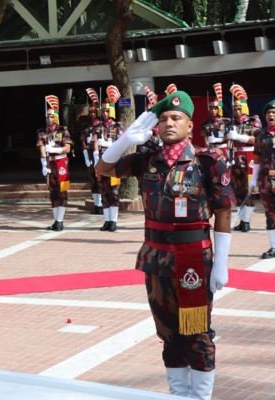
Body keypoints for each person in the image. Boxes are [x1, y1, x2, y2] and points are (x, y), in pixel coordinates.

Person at [95, 90, 233, 399]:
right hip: (156, 257)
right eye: (164, 119)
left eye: (176, 118)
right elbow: (102, 169)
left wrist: (221, 262)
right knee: (168, 334)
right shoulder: (147, 159)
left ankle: (199, 396)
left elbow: (223, 212)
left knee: (196, 332)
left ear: (189, 124)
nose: (169, 123)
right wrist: (124, 141)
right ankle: (177, 394)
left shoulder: (207, 162)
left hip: (193, 260)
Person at [251, 100, 275, 258]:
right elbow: (257, 157)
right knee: (270, 214)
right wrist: (253, 179)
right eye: (268, 113)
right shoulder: (260, 135)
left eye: (274, 112)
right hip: (265, 178)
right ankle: (274, 247)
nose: (270, 115)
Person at [226, 84, 261, 232]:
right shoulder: (230, 123)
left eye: (239, 108)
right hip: (236, 157)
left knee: (249, 190)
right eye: (234, 108)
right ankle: (242, 220)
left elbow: (256, 139)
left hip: (249, 158)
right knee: (237, 190)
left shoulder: (253, 121)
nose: (236, 111)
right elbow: (229, 141)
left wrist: (239, 136)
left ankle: (247, 221)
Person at [38, 95, 72, 231]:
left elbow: (68, 148)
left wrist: (55, 149)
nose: (49, 119)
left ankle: (60, 220)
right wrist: (43, 164)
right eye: (47, 116)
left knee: (62, 191)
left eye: (51, 116)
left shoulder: (63, 131)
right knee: (53, 192)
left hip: (61, 162)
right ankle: (55, 220)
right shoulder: (42, 132)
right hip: (50, 163)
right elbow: (41, 148)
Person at [93, 85, 124, 232]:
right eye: (103, 110)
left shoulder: (117, 126)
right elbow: (93, 142)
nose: (104, 113)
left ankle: (114, 221)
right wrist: (94, 155)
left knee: (114, 193)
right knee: (103, 191)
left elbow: (121, 143)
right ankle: (106, 220)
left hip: (114, 164)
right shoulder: (98, 127)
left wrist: (107, 143)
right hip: (101, 163)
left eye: (107, 110)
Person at [81, 88, 103, 215]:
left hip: (101, 154)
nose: (92, 114)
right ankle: (97, 205)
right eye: (90, 112)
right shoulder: (86, 126)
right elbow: (83, 140)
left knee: (101, 179)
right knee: (93, 179)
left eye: (94, 112)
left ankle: (103, 203)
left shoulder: (101, 125)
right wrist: (85, 156)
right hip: (90, 154)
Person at [200, 84, 231, 157]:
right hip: (212, 149)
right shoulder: (205, 124)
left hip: (224, 149)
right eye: (211, 109)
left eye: (215, 108)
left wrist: (229, 152)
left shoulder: (226, 122)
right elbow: (205, 140)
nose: (213, 111)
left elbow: (229, 139)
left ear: (218, 109)